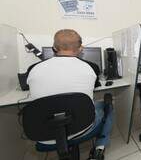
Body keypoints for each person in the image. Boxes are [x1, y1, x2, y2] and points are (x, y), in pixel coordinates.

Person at [26, 29, 111, 159]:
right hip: (82, 126)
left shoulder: (33, 69)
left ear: (54, 48)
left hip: (43, 133)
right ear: (81, 48)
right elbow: (93, 88)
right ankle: (99, 149)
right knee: (107, 105)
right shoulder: (92, 67)